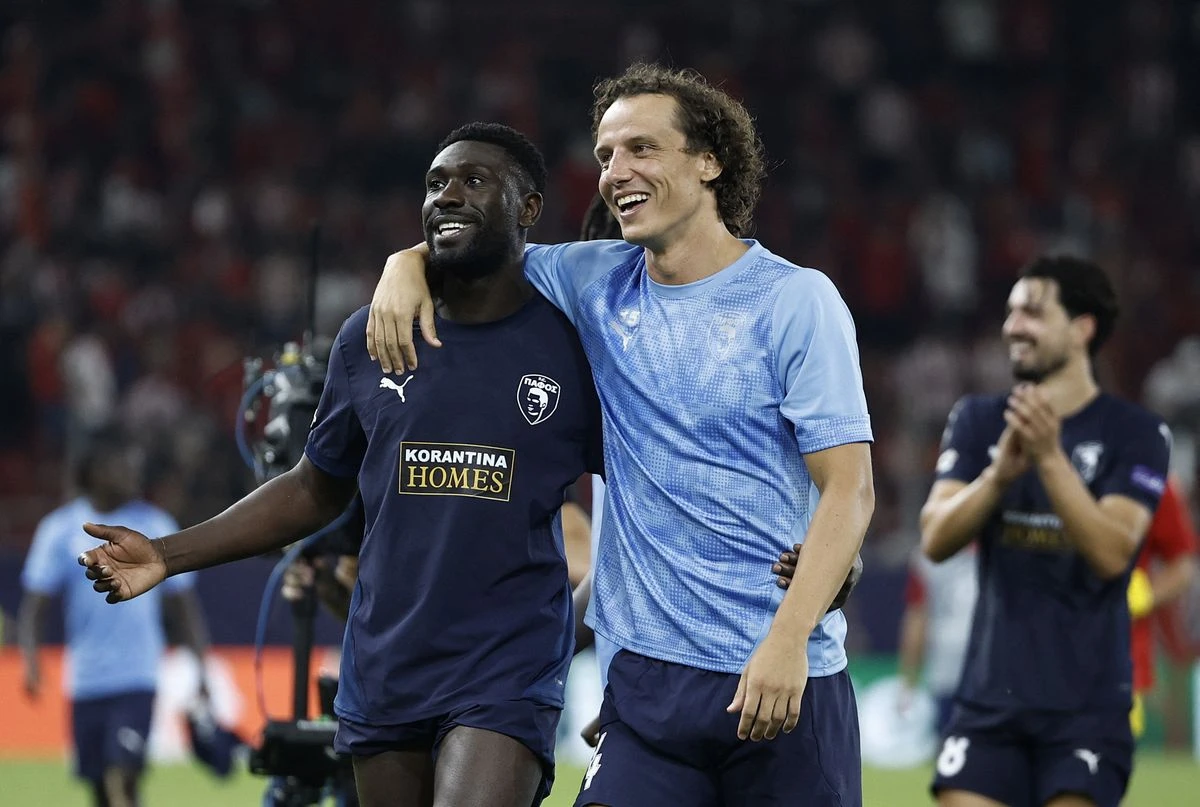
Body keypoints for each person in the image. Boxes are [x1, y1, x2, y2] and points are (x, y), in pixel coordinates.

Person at [366, 63, 875, 806]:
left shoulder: (796, 300)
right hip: (647, 691)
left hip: (778, 676)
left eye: (642, 148)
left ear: (709, 162)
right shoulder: (594, 280)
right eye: (605, 155)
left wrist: (789, 639)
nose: (615, 172)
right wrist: (406, 262)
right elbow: (478, 254)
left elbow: (849, 488)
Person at [78, 123, 604, 807]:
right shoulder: (370, 336)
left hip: (506, 668)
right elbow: (313, 487)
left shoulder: (573, 344)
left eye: (474, 181)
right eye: (435, 183)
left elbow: (639, 495)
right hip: (387, 663)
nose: (447, 196)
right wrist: (164, 554)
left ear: (529, 207)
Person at [920, 255, 1172, 807]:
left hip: (1088, 709)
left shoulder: (1136, 433)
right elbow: (935, 539)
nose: (1013, 327)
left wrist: (1050, 459)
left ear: (1082, 328)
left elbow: (1113, 554)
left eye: (1033, 312)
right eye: (1011, 312)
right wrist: (997, 476)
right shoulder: (979, 420)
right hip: (990, 702)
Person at [18, 425, 211, 807]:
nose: (133, 471)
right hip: (86, 679)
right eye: (123, 463)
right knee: (100, 791)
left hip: (137, 675)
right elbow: (35, 605)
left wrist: (201, 668)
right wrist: (30, 659)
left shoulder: (155, 526)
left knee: (122, 777)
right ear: (95, 470)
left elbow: (184, 608)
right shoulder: (60, 529)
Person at [1127, 476, 1198, 738]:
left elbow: (1183, 564)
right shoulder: (1028, 463)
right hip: (1038, 651)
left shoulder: (1151, 477)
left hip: (1122, 658)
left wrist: (1144, 596)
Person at [896, 546, 978, 734]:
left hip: (950, 669)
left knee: (950, 746)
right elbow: (917, 619)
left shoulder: (928, 553)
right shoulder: (1007, 542)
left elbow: (917, 619)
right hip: (978, 672)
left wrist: (908, 682)